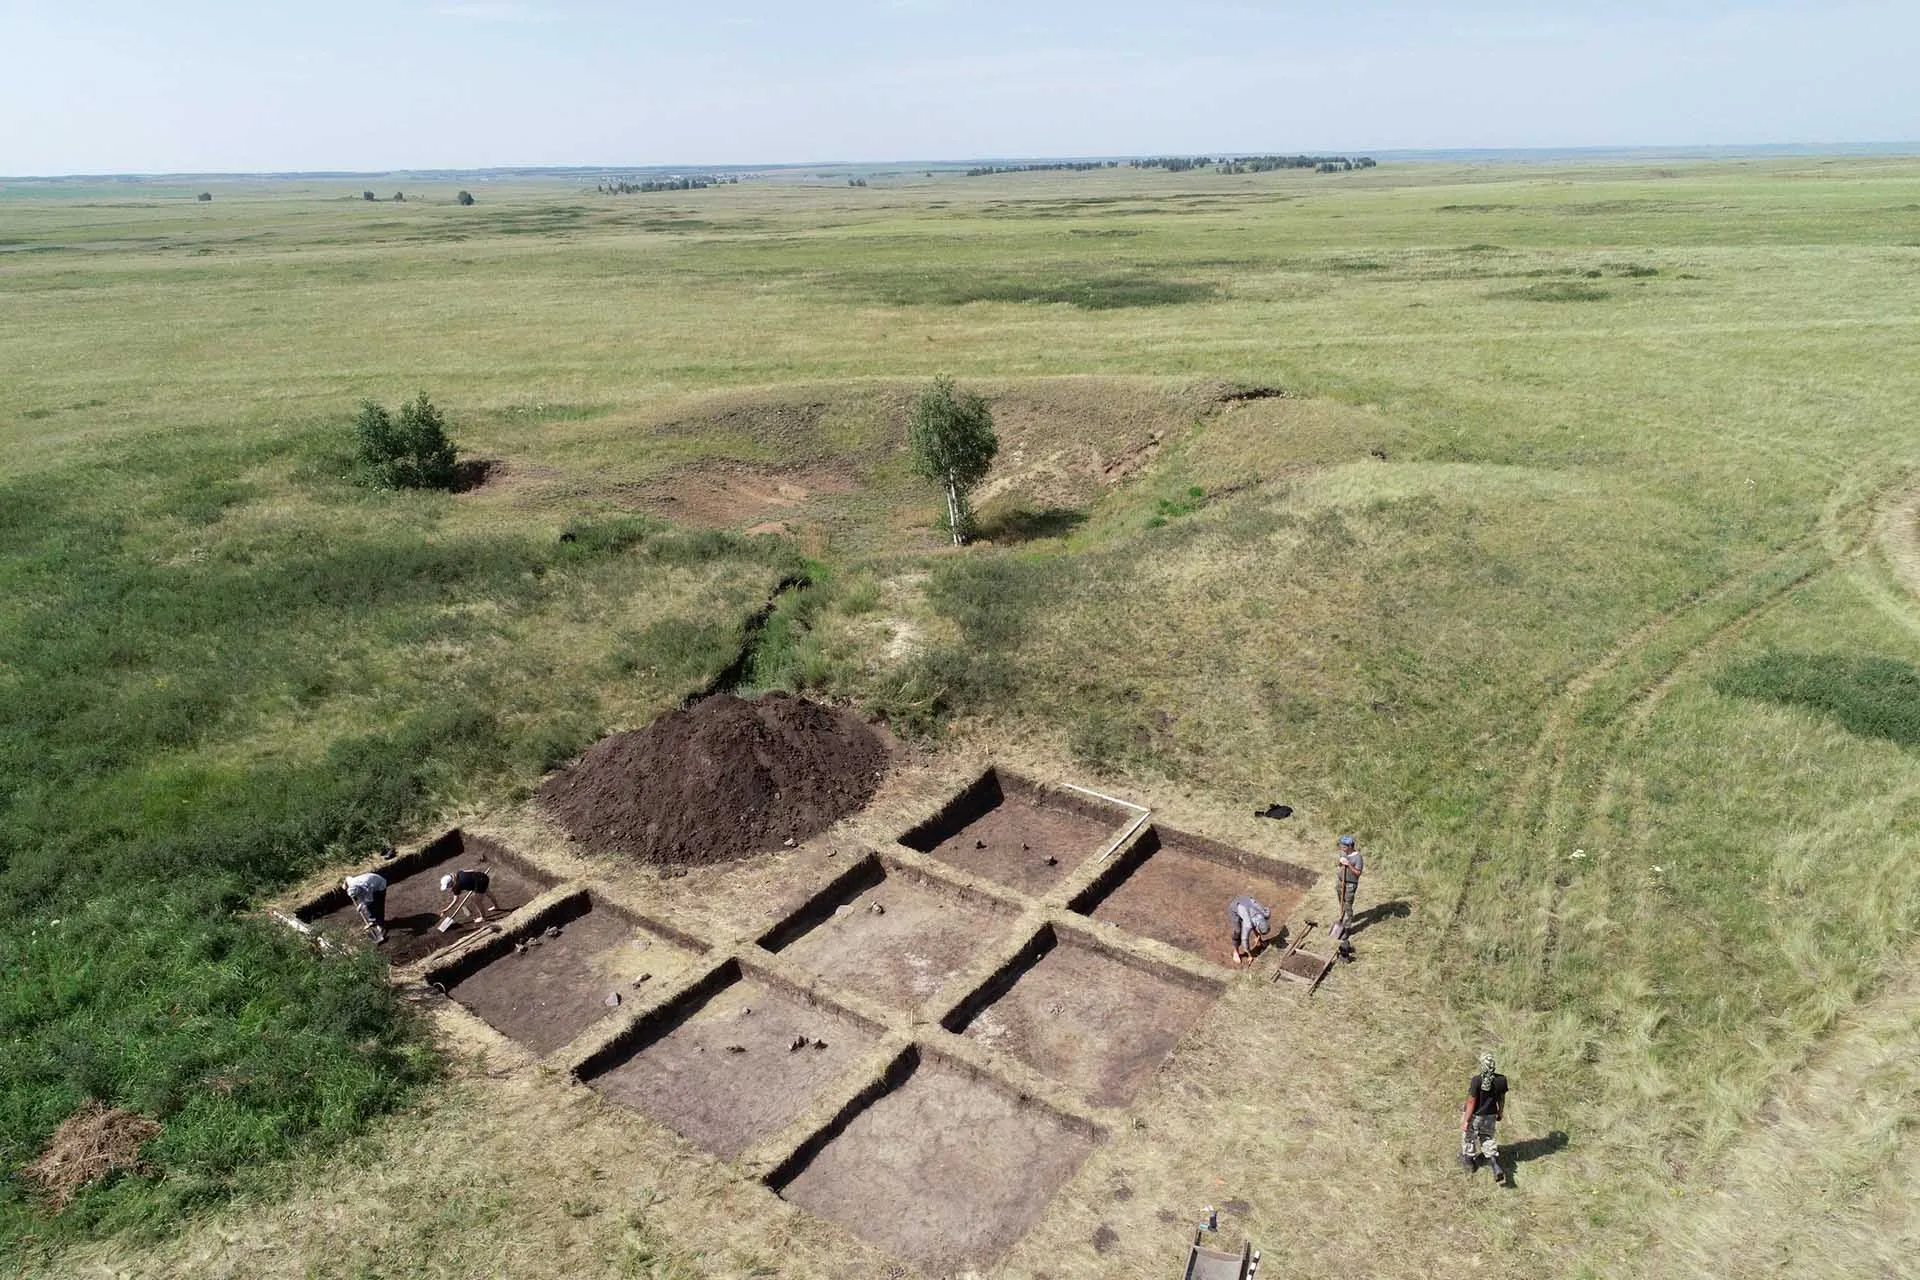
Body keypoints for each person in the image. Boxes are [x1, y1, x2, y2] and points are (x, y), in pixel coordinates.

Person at [1460, 1051, 1509, 1184]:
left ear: (1482, 1066)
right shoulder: (1501, 1080)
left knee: (1469, 1136)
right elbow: (1501, 1099)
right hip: (1491, 1115)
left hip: (1476, 1116)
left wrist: (1466, 1120)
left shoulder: (1477, 1080)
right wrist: (1500, 1112)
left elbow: (1471, 1102)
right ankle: (1494, 1162)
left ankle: (1469, 1162)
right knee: (1487, 1137)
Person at [1331, 834, 1363, 959]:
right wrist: (1340, 864)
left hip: (1350, 884)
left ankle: (1347, 929)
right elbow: (1339, 865)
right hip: (1341, 882)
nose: (1342, 847)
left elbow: (1358, 873)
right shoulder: (1343, 853)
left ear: (1350, 846)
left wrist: (1348, 864)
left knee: (1348, 906)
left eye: (1344, 846)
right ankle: (1341, 920)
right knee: (1342, 904)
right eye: (1341, 845)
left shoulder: (1358, 857)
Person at [343, 871, 388, 944]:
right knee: (369, 906)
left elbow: (368, 900)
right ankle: (372, 920)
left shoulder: (367, 888)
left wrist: (361, 905)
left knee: (377, 906)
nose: (358, 897)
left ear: (360, 890)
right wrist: (344, 884)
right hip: (369, 883)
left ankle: (380, 924)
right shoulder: (352, 882)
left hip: (380, 885)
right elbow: (347, 878)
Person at [1227, 894, 1271, 966]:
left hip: (1247, 901)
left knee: (1256, 924)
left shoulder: (1266, 914)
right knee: (1238, 931)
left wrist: (1258, 936)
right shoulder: (1248, 924)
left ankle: (1259, 941)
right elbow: (1245, 939)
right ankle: (1236, 952)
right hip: (1236, 907)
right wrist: (1250, 955)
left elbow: (1266, 911)